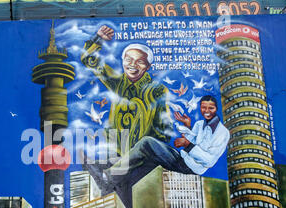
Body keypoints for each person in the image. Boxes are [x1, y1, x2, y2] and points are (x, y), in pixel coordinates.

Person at [87, 95, 230, 189]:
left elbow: (209, 161)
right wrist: (187, 126)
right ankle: (114, 180)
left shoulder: (222, 133)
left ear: (216, 109)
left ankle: (109, 178)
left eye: (210, 108)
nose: (206, 111)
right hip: (183, 159)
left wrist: (187, 144)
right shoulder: (200, 124)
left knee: (147, 144)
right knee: (146, 147)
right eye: (204, 107)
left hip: (190, 168)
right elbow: (192, 142)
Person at [81, 25, 173, 153]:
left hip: (142, 155)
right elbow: (89, 59)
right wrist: (98, 39)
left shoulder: (157, 90)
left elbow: (163, 126)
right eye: (128, 60)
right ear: (123, 61)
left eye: (139, 61)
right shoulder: (116, 81)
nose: (132, 65)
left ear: (147, 66)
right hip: (115, 152)